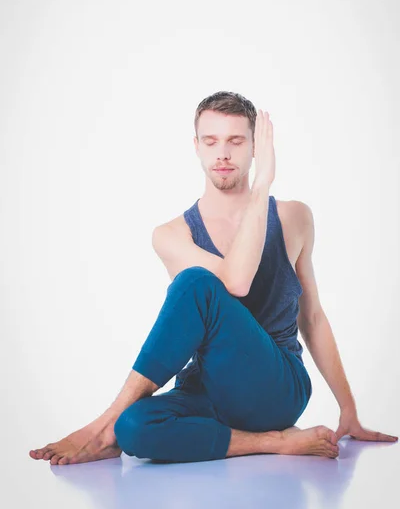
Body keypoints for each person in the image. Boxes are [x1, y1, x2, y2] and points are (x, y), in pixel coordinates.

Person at [29, 91, 398, 465]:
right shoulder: (171, 235)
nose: (222, 153)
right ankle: (273, 443)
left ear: (255, 147)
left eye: (236, 141)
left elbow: (310, 316)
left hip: (276, 388)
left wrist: (347, 408)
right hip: (206, 390)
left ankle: (101, 426)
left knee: (195, 283)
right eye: (211, 141)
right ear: (197, 147)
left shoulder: (293, 218)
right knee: (134, 428)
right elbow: (234, 280)